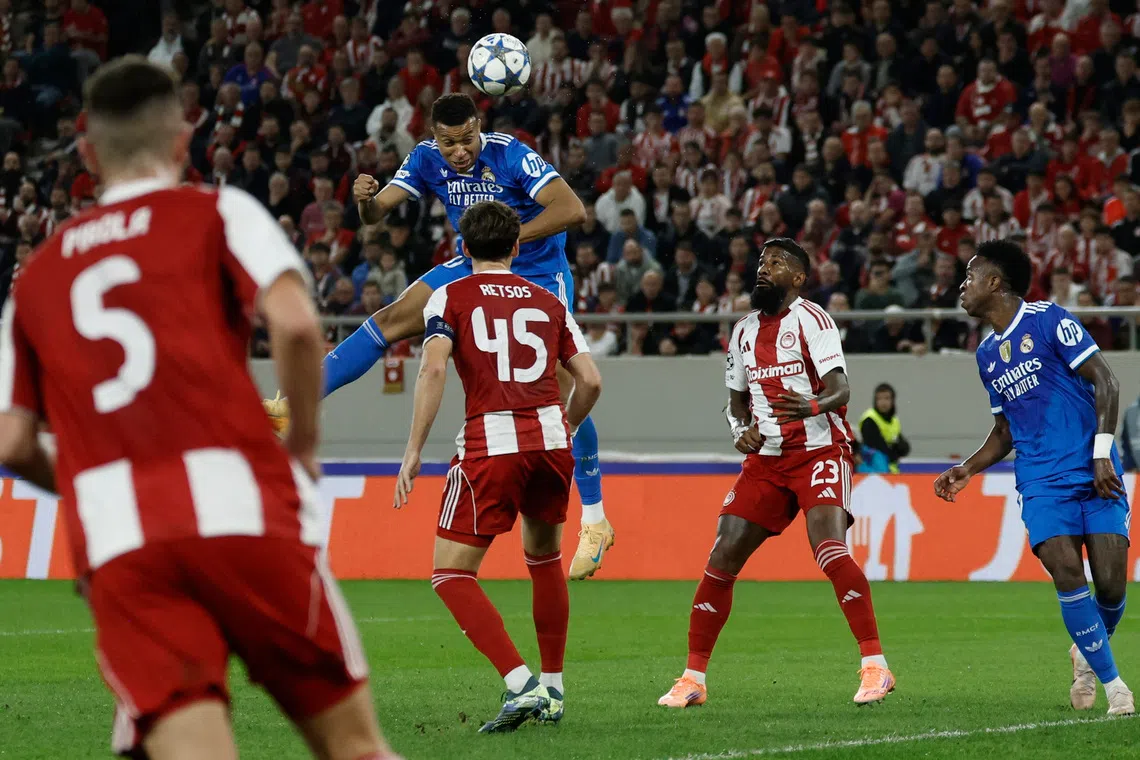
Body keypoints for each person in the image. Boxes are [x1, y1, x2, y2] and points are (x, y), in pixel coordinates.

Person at [0, 57, 399, 760]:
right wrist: (302, 444)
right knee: (355, 748)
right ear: (184, 141)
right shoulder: (219, 211)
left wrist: (99, 486)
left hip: (123, 543)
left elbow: (12, 444)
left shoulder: (33, 282)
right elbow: (298, 326)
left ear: (87, 155)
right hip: (242, 507)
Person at [265, 93, 615, 580]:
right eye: (450, 143)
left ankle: (596, 521)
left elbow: (572, 209)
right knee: (390, 319)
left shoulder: (510, 152)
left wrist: (507, 237)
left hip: (536, 272)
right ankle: (295, 404)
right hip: (472, 263)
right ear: (435, 138)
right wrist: (366, 201)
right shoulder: (426, 159)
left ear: (480, 128)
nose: (460, 152)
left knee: (560, 386)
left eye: (467, 140)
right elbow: (378, 212)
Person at [657, 238, 894, 709]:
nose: (764, 268)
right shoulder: (743, 331)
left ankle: (875, 666)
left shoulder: (814, 320)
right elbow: (735, 403)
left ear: (800, 278)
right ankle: (692, 678)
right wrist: (738, 430)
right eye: (763, 261)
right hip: (765, 460)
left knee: (828, 548)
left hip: (820, 450)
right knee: (722, 554)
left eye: (777, 263)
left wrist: (809, 404)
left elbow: (841, 389)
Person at [394, 201, 601, 732]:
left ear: (463, 248)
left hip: (492, 443)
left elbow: (433, 368)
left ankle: (522, 684)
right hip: (551, 443)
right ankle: (554, 689)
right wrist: (567, 428)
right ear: (516, 247)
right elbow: (591, 381)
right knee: (544, 560)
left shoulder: (450, 295)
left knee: (450, 574)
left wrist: (414, 448)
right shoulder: (548, 300)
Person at [936, 240, 1135, 717]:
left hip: (1093, 469)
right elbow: (1005, 430)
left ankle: (1085, 656)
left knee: (1111, 587)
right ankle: (1116, 687)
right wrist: (968, 467)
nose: (961, 288)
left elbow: (1107, 381)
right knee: (1067, 572)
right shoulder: (986, 356)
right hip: (1041, 481)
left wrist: (1102, 454)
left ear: (995, 283)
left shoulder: (1050, 320)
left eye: (969, 277)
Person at [859, 383, 911, 474]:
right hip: (872, 471)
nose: (883, 402)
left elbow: (904, 447)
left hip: (891, 470)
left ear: (892, 400)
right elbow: (878, 446)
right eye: (879, 399)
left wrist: (899, 448)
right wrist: (895, 451)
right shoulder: (869, 419)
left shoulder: (894, 420)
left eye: (886, 398)